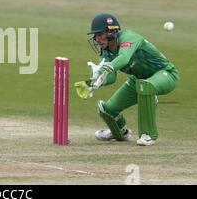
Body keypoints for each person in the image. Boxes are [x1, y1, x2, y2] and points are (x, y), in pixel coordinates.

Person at [75, 13, 178, 146]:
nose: (97, 39)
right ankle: (119, 131)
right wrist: (96, 81)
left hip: (166, 74)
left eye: (100, 34)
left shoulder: (128, 37)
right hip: (139, 80)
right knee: (107, 110)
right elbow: (111, 77)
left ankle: (148, 134)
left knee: (145, 86)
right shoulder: (106, 52)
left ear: (112, 32)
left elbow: (124, 58)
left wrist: (107, 68)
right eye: (95, 36)